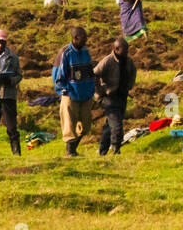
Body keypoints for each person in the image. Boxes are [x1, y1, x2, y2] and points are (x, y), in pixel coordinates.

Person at [53, 26, 96, 156]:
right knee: (69, 125)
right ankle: (70, 151)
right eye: (84, 38)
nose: (86, 40)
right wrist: (64, 91)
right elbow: (57, 75)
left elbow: (90, 72)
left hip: (85, 95)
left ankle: (73, 149)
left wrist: (92, 90)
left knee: (86, 125)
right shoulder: (65, 53)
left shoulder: (85, 52)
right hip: (70, 95)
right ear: (75, 38)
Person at [94, 37, 137, 156]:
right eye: (125, 50)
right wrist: (100, 93)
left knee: (110, 126)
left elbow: (133, 72)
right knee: (117, 125)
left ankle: (102, 151)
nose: (127, 52)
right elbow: (94, 75)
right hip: (109, 99)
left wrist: (129, 86)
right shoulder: (107, 61)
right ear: (116, 49)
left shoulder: (128, 61)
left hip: (122, 96)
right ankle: (116, 149)